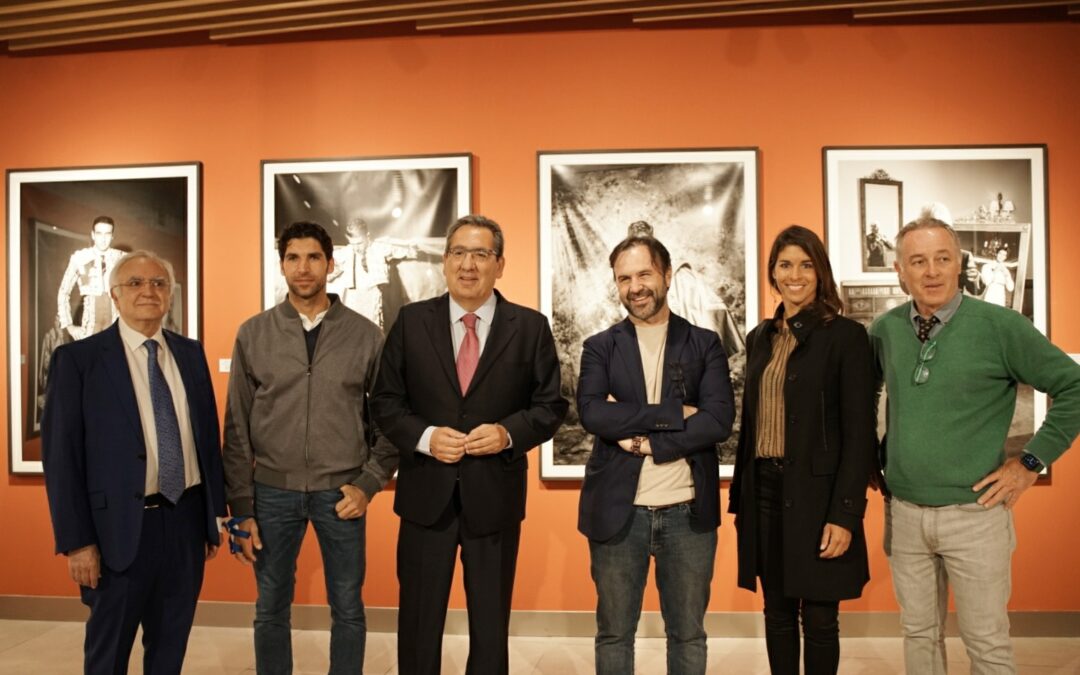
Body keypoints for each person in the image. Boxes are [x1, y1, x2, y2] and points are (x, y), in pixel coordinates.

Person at [870, 212, 1080, 674]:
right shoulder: (884, 331)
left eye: (942, 258)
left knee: (986, 643)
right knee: (919, 637)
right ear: (899, 271)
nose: (931, 271)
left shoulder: (1000, 326)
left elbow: (1074, 387)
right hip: (905, 514)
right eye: (918, 261)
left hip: (976, 514)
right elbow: (858, 397)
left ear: (959, 263)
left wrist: (1029, 462)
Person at [371, 214, 568, 675]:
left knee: (491, 627)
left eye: (481, 254)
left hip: (495, 500)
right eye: (458, 252)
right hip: (425, 501)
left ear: (500, 264)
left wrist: (507, 434)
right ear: (444, 262)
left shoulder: (531, 327)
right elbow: (384, 400)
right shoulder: (411, 321)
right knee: (418, 625)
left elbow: (550, 406)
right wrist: (424, 437)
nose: (468, 264)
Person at [223, 221, 397, 674]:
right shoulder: (253, 333)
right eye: (293, 257)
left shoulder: (365, 335)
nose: (304, 268)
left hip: (340, 494)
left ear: (330, 264)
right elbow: (236, 426)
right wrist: (241, 504)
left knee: (348, 608)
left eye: (314, 257)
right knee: (270, 607)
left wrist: (369, 483)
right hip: (271, 494)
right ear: (281, 265)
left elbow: (390, 422)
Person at [42, 250, 226, 674]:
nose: (149, 291)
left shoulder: (190, 354)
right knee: (108, 656)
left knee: (169, 653)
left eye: (159, 283)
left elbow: (206, 441)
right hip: (116, 535)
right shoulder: (79, 360)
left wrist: (212, 515)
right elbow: (61, 459)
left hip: (184, 525)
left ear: (171, 295)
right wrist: (77, 542)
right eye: (136, 283)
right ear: (115, 296)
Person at [576, 234, 735, 675]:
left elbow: (718, 419)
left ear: (666, 275)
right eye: (624, 278)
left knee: (687, 634)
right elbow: (591, 413)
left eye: (644, 274)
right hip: (617, 513)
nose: (634, 287)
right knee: (613, 634)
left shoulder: (704, 344)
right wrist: (673, 415)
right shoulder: (600, 346)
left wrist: (646, 440)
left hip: (687, 513)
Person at [729, 225, 874, 675]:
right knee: (777, 613)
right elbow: (751, 424)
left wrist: (845, 513)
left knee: (820, 619)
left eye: (806, 265)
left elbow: (859, 432)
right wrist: (741, 500)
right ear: (773, 273)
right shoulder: (760, 338)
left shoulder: (846, 337)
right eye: (785, 265)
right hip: (765, 493)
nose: (795, 275)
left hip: (819, 497)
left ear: (821, 272)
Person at [57, 216, 125, 341]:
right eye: (99, 234)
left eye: (107, 234)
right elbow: (63, 291)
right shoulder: (80, 257)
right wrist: (69, 325)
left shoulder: (122, 259)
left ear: (112, 236)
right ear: (93, 235)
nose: (103, 239)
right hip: (89, 329)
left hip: (116, 329)